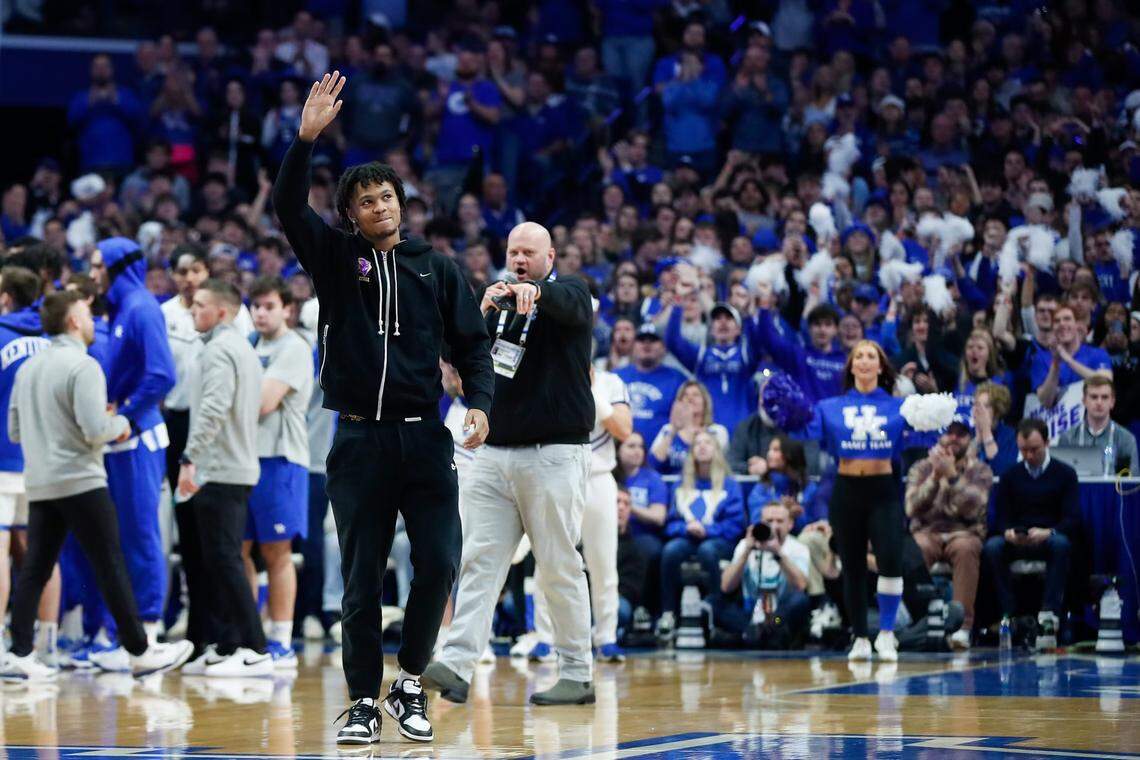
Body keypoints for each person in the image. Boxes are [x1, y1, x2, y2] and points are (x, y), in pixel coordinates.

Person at [272, 72, 494, 745]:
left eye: (387, 197)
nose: (380, 207)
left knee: (439, 564)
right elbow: (287, 207)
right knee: (362, 579)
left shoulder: (440, 268)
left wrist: (480, 402)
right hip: (359, 442)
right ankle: (364, 700)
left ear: (404, 204)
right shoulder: (336, 260)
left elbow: (474, 346)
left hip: (425, 439)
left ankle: (408, 684)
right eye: (366, 201)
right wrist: (305, 140)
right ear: (351, 214)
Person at [423, 221, 597, 708]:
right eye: (513, 251)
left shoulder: (571, 293)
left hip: (554, 455)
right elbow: (449, 354)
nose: (519, 259)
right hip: (494, 455)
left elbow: (571, 306)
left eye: (529, 252)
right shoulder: (491, 300)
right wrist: (474, 314)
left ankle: (578, 673)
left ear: (550, 256)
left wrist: (536, 293)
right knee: (479, 560)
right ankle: (456, 666)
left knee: (559, 564)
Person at [1, 291, 192, 680]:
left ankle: (18, 653)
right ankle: (139, 651)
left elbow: (15, 431)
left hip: (41, 483)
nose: (92, 321)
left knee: (35, 568)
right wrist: (123, 424)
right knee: (110, 563)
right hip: (82, 482)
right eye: (86, 314)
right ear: (73, 321)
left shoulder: (28, 369)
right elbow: (95, 431)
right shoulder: (83, 366)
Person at [84, 237, 177, 656]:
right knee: (119, 538)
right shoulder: (125, 310)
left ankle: (151, 628)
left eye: (97, 265)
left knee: (140, 535)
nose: (92, 274)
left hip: (139, 438)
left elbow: (162, 375)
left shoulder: (142, 308)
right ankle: (121, 631)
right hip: (119, 440)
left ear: (120, 266)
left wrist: (127, 414)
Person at [176, 280, 269, 677]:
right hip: (236, 464)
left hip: (221, 467)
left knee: (226, 559)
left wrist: (189, 456)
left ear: (222, 312)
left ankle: (255, 646)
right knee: (221, 558)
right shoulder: (242, 348)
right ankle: (229, 643)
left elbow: (213, 408)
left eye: (199, 305)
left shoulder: (219, 350)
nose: (192, 311)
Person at [810, 340, 908, 662]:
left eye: (872, 356)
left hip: (883, 490)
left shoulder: (900, 406)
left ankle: (887, 635)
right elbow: (807, 434)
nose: (865, 361)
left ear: (881, 367)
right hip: (847, 490)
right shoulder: (829, 406)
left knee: (890, 561)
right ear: (851, 366)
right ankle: (861, 637)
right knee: (851, 567)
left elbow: (924, 436)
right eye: (859, 356)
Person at [531, 365, 632, 662]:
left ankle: (606, 636)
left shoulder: (611, 382)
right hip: (557, 474)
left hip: (599, 477)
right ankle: (545, 638)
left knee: (603, 563)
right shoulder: (549, 372)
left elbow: (624, 430)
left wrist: (590, 389)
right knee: (548, 559)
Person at [244, 276, 314, 668]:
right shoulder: (250, 345)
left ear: (287, 308)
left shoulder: (294, 347)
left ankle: (281, 639)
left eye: (269, 305)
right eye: (255, 306)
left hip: (281, 459)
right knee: (239, 548)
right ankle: (251, 634)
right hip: (245, 459)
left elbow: (263, 402)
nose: (260, 312)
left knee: (277, 550)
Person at [0, 266, 56, 661]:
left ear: (6, 297)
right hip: (44, 460)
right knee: (39, 553)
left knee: (2, 552)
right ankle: (50, 644)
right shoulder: (53, 339)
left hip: (2, 459)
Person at [984, 418, 1080, 647]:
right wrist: (1007, 532)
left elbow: (1072, 518)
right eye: (1023, 450)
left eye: (1034, 450)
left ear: (1047, 443)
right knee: (993, 547)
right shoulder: (1010, 475)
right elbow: (1000, 517)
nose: (1028, 456)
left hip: (1047, 536)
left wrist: (1049, 531)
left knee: (1061, 544)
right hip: (1019, 537)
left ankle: (1049, 614)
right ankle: (1010, 614)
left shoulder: (1065, 474)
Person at [904, 421, 993, 650]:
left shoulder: (980, 470)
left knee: (965, 547)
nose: (953, 438)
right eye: (949, 433)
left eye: (960, 435)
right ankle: (919, 623)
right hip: (928, 532)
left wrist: (953, 477)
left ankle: (962, 628)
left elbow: (973, 508)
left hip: (964, 532)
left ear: (970, 439)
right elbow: (911, 508)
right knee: (915, 547)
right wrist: (934, 478)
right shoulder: (921, 468)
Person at [657, 429, 745, 639]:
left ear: (717, 450)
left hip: (718, 540)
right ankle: (669, 613)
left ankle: (716, 609)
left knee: (708, 550)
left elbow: (736, 524)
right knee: (670, 550)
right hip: (687, 537)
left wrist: (708, 530)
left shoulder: (730, 485)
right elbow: (670, 523)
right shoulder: (681, 484)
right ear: (692, 452)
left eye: (708, 443)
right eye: (698, 444)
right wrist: (685, 528)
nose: (703, 447)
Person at [717, 501, 811, 647]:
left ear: (790, 524)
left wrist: (778, 553)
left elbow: (801, 586)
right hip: (749, 615)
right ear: (761, 523)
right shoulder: (745, 545)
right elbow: (726, 587)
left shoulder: (798, 548)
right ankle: (752, 632)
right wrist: (746, 552)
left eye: (780, 521)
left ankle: (757, 635)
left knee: (800, 602)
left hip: (779, 617)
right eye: (769, 521)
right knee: (715, 603)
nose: (774, 526)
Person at [663, 300, 760, 431]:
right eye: (718, 319)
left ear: (738, 329)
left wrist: (748, 318)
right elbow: (672, 341)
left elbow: (759, 344)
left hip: (742, 432)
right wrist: (677, 305)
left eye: (729, 318)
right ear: (711, 329)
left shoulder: (746, 355)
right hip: (708, 432)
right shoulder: (700, 356)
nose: (723, 322)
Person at [614, 432, 667, 612]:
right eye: (631, 446)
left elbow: (658, 516)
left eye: (640, 447)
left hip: (643, 535)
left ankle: (643, 610)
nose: (637, 451)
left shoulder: (652, 478)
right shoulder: (608, 476)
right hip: (611, 534)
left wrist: (627, 505)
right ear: (618, 450)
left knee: (646, 550)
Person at [615, 323, 687, 444]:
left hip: (661, 455)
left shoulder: (677, 379)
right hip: (621, 454)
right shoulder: (616, 377)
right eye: (641, 340)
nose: (646, 344)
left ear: (664, 347)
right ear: (633, 346)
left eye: (653, 340)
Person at [1057, 375, 1139, 474]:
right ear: (1084, 401)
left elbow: (1131, 483)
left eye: (1104, 397)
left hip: (1112, 490)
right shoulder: (1068, 437)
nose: (1099, 402)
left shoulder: (1126, 439)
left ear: (1112, 402)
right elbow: (1059, 479)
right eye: (1094, 397)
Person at [649, 380, 729, 474]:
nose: (690, 398)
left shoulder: (717, 431)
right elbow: (652, 464)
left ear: (705, 401)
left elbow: (718, 464)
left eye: (696, 395)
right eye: (685, 395)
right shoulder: (668, 430)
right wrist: (674, 430)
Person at [745, 435, 820, 530]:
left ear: (790, 454)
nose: (769, 454)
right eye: (770, 449)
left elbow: (814, 522)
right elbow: (756, 519)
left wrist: (796, 516)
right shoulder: (762, 487)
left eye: (775, 450)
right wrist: (782, 511)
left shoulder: (809, 488)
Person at [973, 381, 1018, 476]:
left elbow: (1000, 470)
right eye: (976, 405)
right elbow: (963, 469)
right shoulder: (969, 433)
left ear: (997, 411)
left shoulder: (1010, 436)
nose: (978, 410)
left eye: (985, 406)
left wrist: (986, 432)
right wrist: (977, 439)